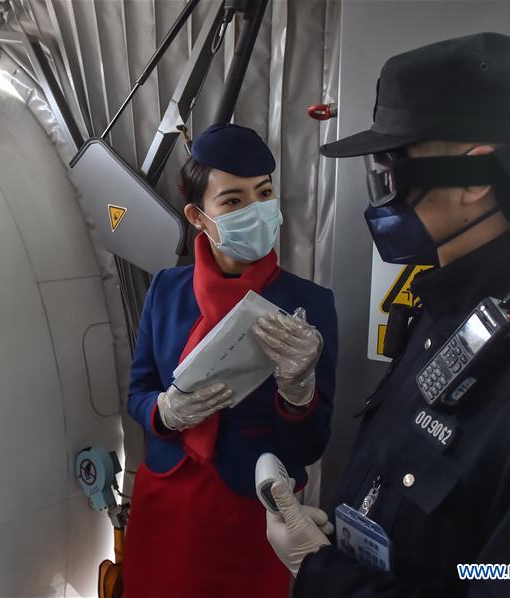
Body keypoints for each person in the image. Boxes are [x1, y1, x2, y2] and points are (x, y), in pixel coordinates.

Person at [266, 32, 510, 596]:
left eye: (391, 164)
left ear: (475, 179)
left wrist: (321, 574)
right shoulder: (459, 289)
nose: (380, 188)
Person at [122, 123, 338, 597]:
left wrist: (298, 395)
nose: (257, 211)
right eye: (234, 201)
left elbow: (311, 445)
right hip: (169, 496)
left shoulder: (309, 305)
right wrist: (164, 411)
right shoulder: (165, 291)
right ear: (198, 217)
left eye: (264, 194)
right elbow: (138, 392)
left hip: (258, 508)